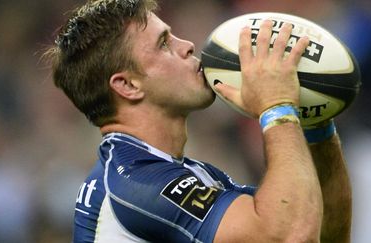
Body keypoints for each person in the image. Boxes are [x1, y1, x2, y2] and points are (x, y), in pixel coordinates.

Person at [44, 0, 352, 242]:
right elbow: (290, 235)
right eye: (164, 43)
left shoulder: (180, 172)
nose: (187, 45)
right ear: (128, 85)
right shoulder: (135, 186)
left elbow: (321, 233)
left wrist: (315, 124)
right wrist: (276, 106)